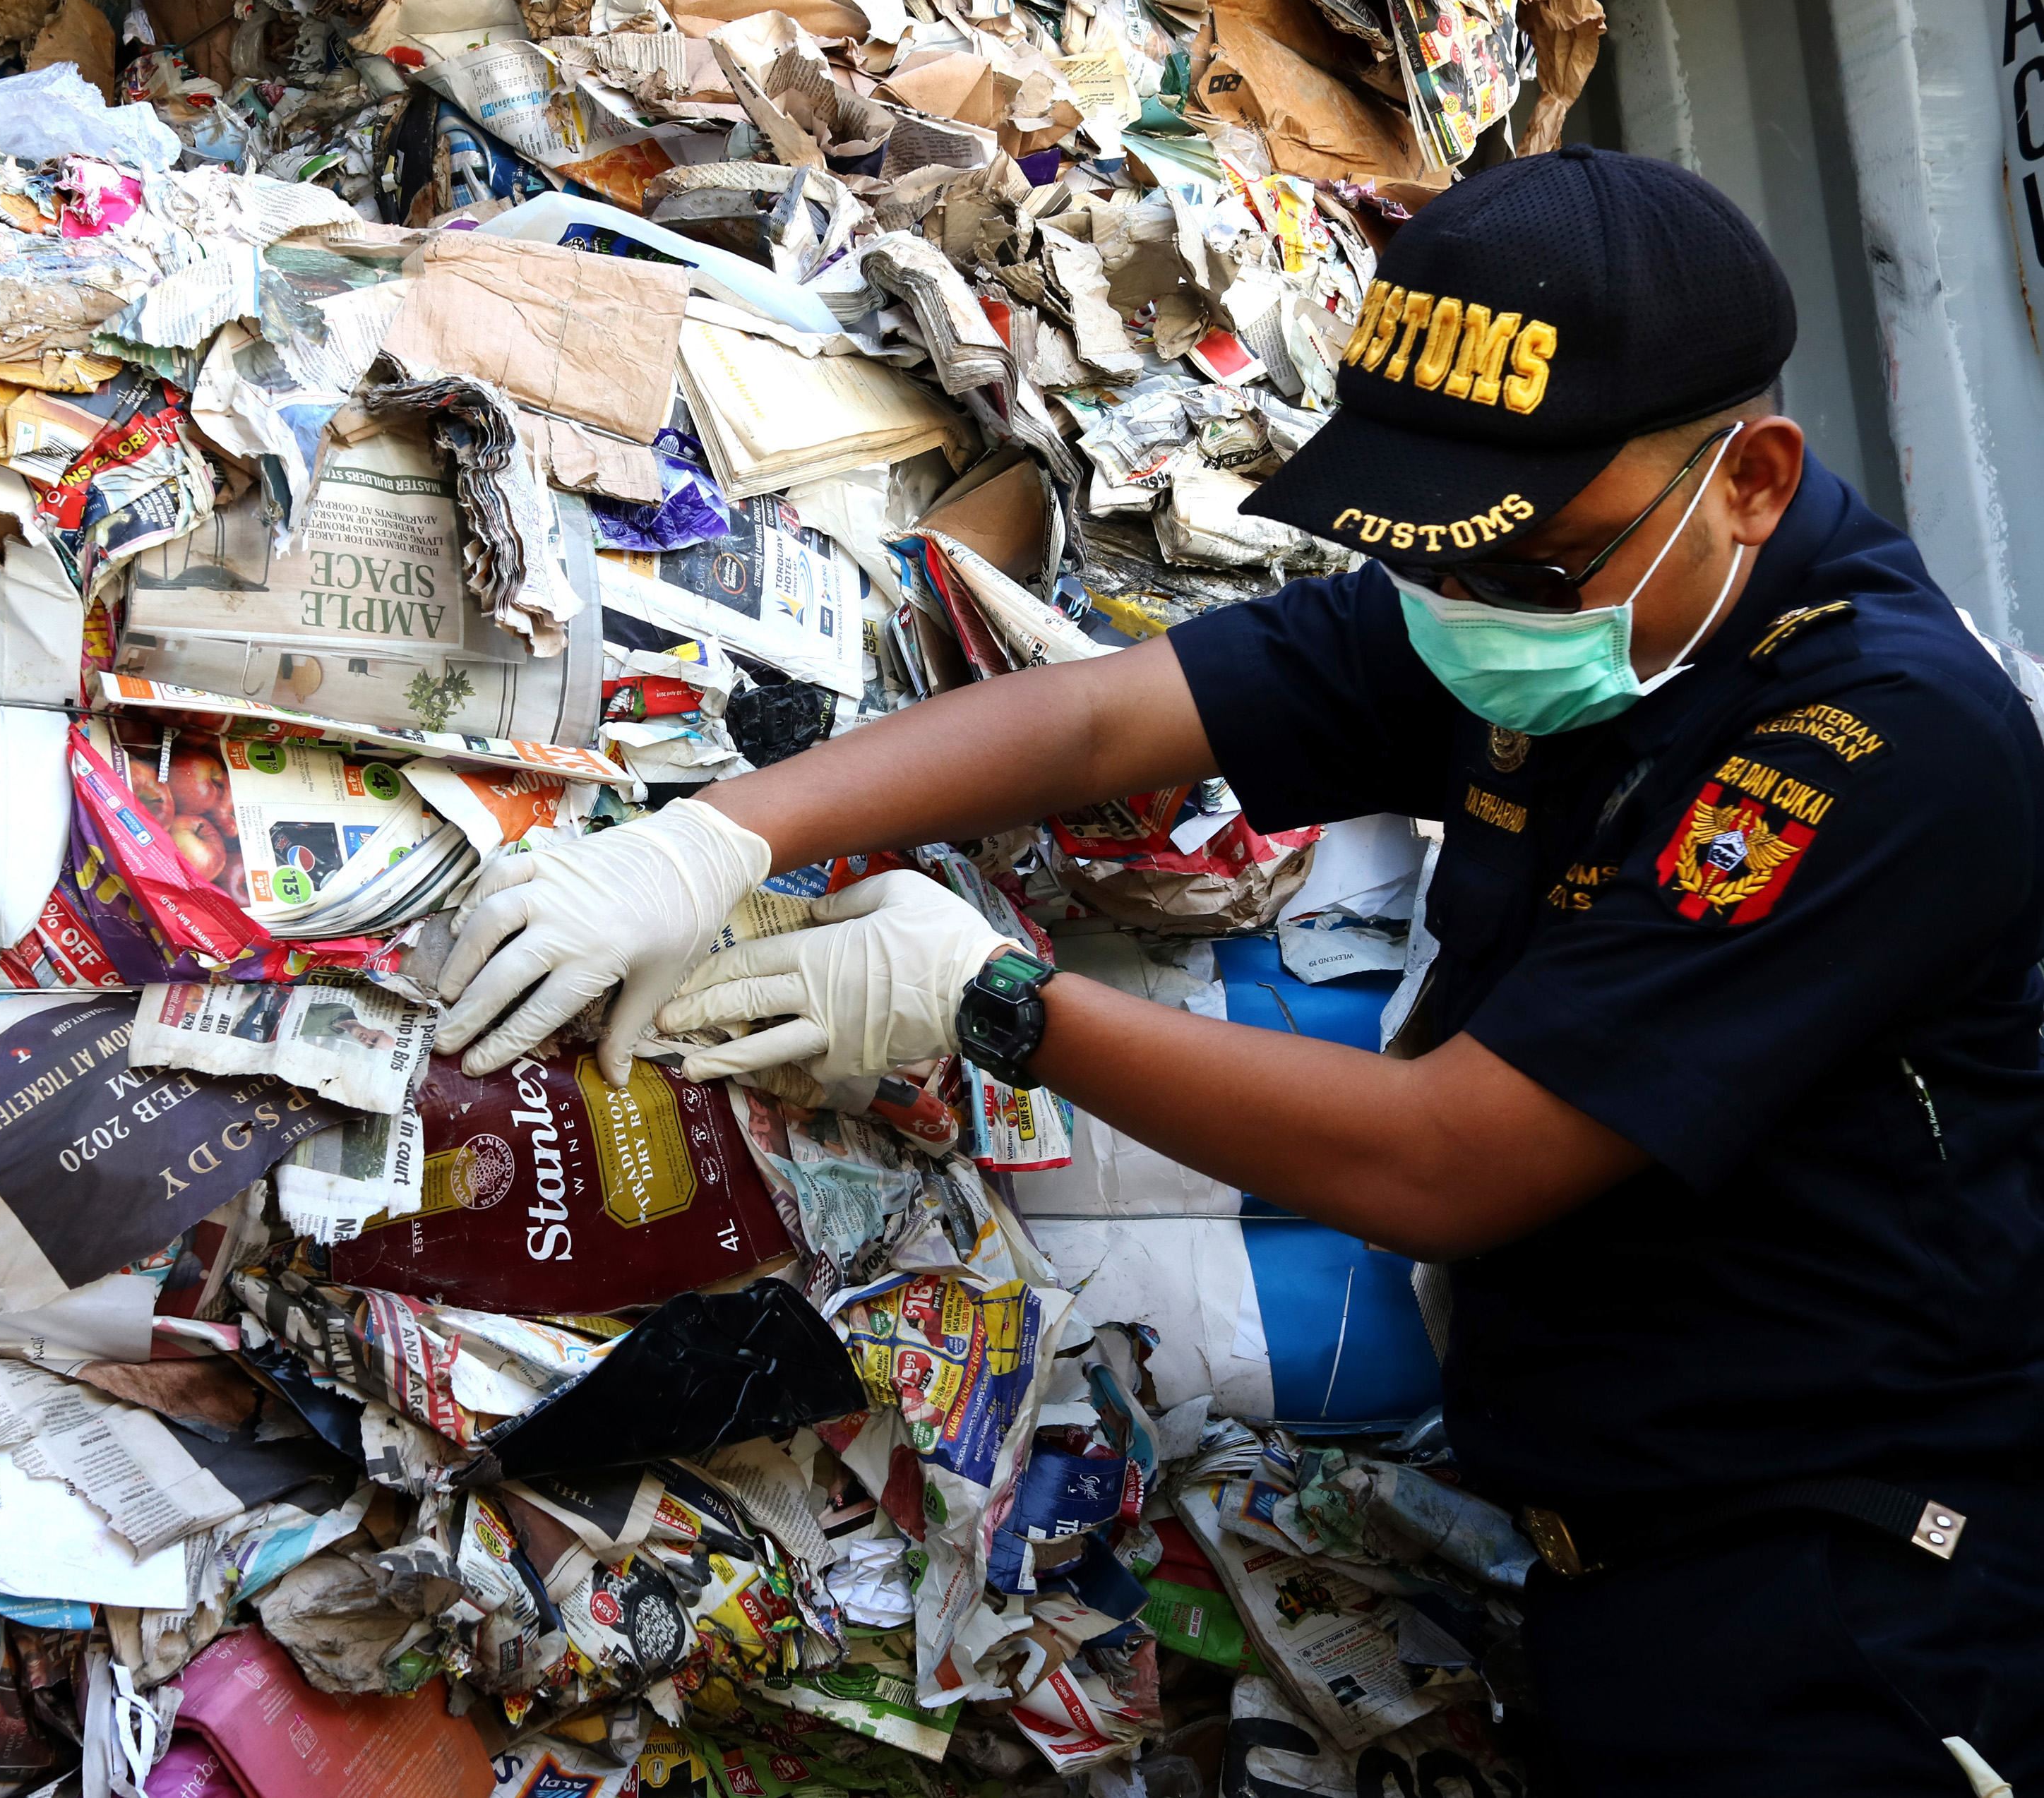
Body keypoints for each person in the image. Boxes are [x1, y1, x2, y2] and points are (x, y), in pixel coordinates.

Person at [431, 148, 2044, 1794]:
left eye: (1518, 565)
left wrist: (993, 1000)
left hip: (1853, 1609)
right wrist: (708, 841)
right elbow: (1104, 713)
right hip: (1617, 1570)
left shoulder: (1873, 745)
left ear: (1753, 477)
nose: (1463, 607)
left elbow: (1449, 1157)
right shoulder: (1566, 597)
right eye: (1434, 557)